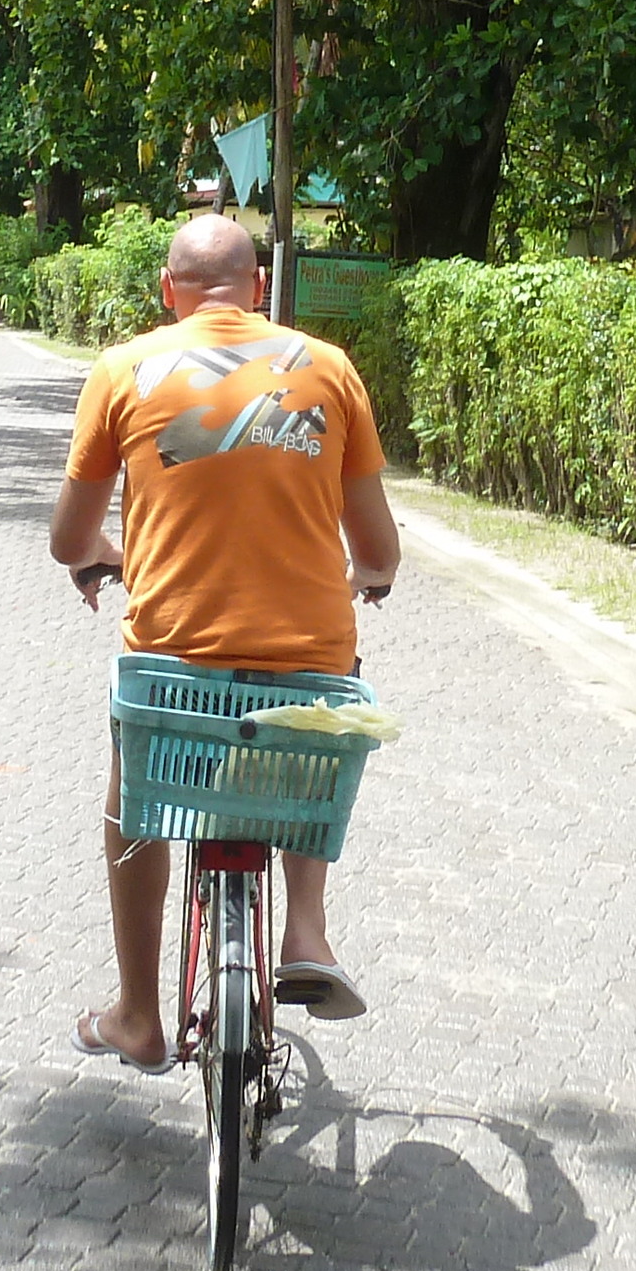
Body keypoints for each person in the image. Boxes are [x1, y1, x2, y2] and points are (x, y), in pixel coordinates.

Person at [47, 214, 399, 1070]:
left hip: (173, 662)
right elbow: (381, 553)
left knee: (134, 791)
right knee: (322, 735)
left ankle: (138, 1013)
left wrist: (110, 557)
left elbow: (68, 541)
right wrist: (366, 578)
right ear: (261, 290)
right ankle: (306, 932)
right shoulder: (328, 368)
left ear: (168, 293)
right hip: (307, 654)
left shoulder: (125, 368)